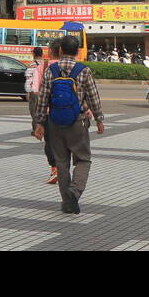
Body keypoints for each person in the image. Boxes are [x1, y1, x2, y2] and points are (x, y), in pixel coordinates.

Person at [33, 33, 104, 215]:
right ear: (78, 51)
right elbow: (93, 97)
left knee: (61, 162)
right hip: (78, 122)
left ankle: (67, 202)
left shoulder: (51, 71)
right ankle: (74, 192)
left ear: (61, 50)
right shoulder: (84, 70)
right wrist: (99, 119)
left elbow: (42, 100)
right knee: (83, 159)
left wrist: (39, 123)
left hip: (55, 122)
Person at [25, 41, 59, 184]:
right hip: (71, 114)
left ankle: (55, 168)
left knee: (50, 142)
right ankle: (65, 168)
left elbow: (36, 92)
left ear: (51, 51)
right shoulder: (77, 68)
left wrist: (39, 122)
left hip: (49, 113)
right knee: (66, 142)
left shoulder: (43, 67)